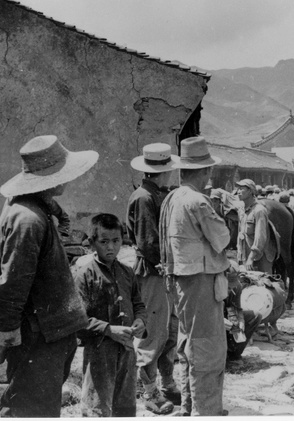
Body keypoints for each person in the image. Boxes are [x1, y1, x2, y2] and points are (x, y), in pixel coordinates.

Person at [0, 135, 98, 417]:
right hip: (38, 335)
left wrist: (51, 205)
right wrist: (6, 337)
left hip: (51, 334)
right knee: (30, 409)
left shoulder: (38, 209)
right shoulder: (28, 219)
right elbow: (9, 286)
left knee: (39, 405)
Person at [159, 136, 231, 416]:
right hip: (201, 279)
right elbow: (222, 238)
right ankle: (206, 410)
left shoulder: (172, 197)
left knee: (189, 343)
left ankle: (191, 407)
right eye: (209, 170)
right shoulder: (198, 201)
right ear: (203, 171)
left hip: (181, 279)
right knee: (208, 348)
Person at [73, 214, 147, 417]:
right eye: (104, 242)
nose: (111, 247)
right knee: (98, 404)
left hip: (127, 350)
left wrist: (140, 320)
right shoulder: (84, 275)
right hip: (100, 352)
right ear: (91, 243)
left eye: (116, 241)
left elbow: (138, 303)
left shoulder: (127, 272)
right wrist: (108, 329)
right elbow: (78, 319)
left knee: (124, 403)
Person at [126, 142, 181, 413]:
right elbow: (148, 243)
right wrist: (169, 265)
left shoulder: (157, 194)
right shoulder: (144, 197)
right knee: (153, 334)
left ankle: (168, 382)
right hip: (153, 272)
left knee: (170, 330)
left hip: (163, 272)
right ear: (162, 171)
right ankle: (149, 391)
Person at [236, 178, 278, 274]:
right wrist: (240, 255)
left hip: (260, 257)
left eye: (242, 189)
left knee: (263, 285)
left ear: (250, 191)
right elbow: (241, 234)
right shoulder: (241, 211)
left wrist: (251, 257)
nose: (238, 192)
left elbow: (261, 237)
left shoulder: (259, 210)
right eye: (238, 189)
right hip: (246, 256)